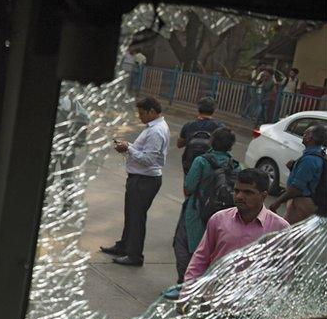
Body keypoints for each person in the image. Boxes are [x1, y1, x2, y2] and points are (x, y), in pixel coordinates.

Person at [176, 168, 290, 319]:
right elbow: (200, 259)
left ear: (263, 195)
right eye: (237, 190)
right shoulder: (219, 220)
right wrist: (187, 292)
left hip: (247, 311)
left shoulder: (280, 229)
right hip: (210, 305)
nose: (239, 196)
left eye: (248, 192)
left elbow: (283, 274)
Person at [101, 96, 170, 266]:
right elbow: (144, 152)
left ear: (152, 112)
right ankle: (125, 245)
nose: (140, 117)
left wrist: (128, 148)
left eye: (142, 114)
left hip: (145, 180)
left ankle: (135, 255)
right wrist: (129, 146)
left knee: (137, 217)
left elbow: (148, 159)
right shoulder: (152, 127)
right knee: (131, 215)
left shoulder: (156, 131)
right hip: (139, 178)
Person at [173, 127, 239, 284]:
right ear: (230, 146)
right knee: (210, 249)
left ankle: (185, 283)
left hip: (196, 211)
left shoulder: (201, 161)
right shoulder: (235, 165)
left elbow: (188, 187)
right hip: (222, 214)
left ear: (212, 141)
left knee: (185, 245)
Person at [270, 124, 327, 223]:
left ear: (310, 137)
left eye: (306, 133)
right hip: (304, 201)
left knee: (289, 234)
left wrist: (277, 202)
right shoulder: (318, 154)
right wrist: (293, 167)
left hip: (301, 203)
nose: (303, 135)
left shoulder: (310, 160)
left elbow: (296, 188)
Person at [177, 96, 224, 175]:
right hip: (211, 167)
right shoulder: (220, 127)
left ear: (198, 108)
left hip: (190, 166)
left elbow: (179, 144)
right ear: (214, 110)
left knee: (189, 185)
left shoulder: (189, 125)